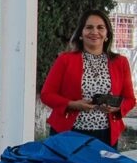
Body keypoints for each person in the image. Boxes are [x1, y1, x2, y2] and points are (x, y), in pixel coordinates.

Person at [41, 8, 135, 147]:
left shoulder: (120, 62)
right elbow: (46, 95)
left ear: (107, 34)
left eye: (100, 27)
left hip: (105, 136)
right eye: (89, 27)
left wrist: (116, 108)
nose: (94, 32)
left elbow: (130, 100)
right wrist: (73, 105)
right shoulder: (65, 60)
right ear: (81, 33)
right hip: (69, 134)